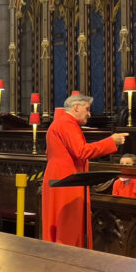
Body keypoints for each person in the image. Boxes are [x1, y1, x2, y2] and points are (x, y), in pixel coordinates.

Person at [41, 95, 127, 249]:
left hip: (59, 177)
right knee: (68, 226)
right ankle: (68, 259)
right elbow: (81, 151)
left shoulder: (60, 122)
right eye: (87, 109)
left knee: (58, 223)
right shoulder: (67, 123)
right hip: (67, 181)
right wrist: (111, 141)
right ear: (76, 107)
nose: (89, 114)